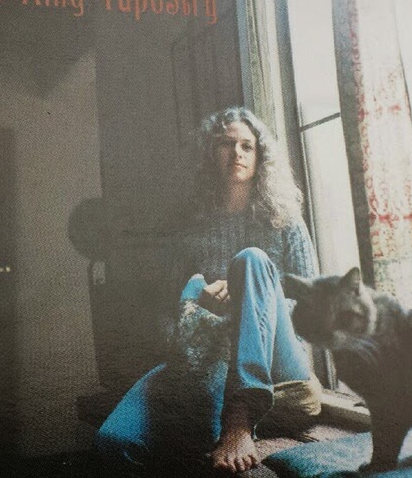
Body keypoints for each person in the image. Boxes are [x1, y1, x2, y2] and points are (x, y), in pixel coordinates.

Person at [95, 107, 321, 475]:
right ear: (209, 154)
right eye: (226, 144)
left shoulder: (284, 220)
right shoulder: (190, 227)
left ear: (260, 156)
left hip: (279, 364)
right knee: (114, 440)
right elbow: (167, 314)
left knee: (250, 260)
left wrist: (250, 299)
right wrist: (199, 305)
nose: (237, 153)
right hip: (207, 355)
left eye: (247, 146)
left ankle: (240, 419)